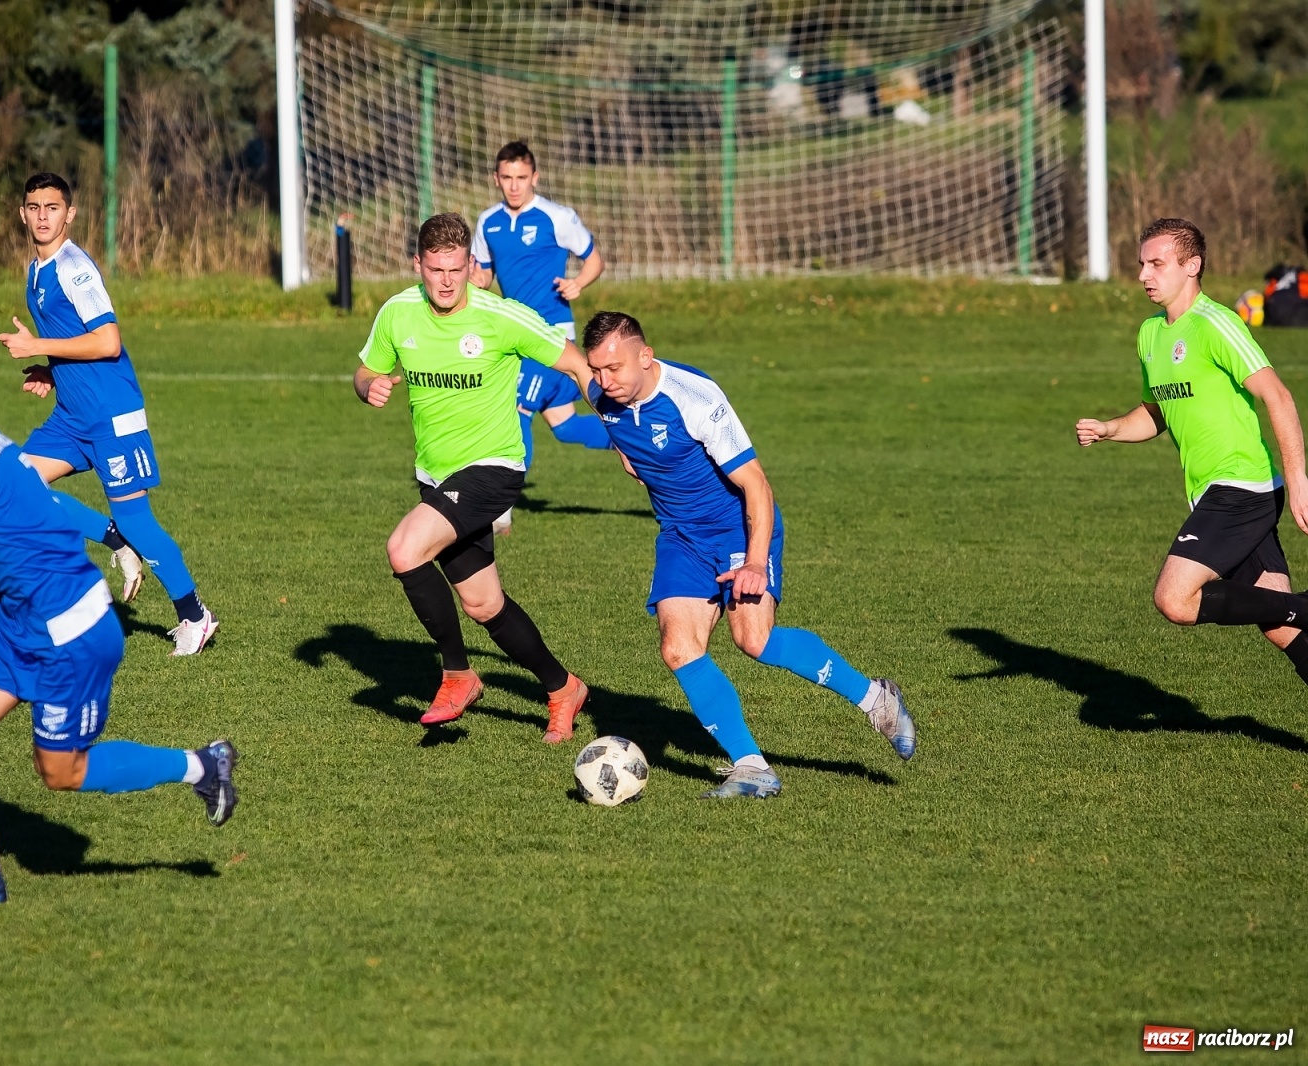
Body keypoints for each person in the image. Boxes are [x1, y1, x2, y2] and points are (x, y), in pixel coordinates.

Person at [0, 339, 236, 906]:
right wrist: (112, 539)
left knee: (61, 772)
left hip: (70, 629)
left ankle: (202, 766)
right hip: (19, 618)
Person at [572, 312, 915, 799]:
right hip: (681, 535)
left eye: (615, 368)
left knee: (755, 640)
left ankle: (875, 699)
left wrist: (754, 562)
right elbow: (564, 359)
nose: (605, 381)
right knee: (678, 648)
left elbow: (756, 485)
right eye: (597, 370)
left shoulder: (695, 398)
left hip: (737, 526)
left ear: (645, 357)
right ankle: (752, 767)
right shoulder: (604, 392)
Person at [355, 212, 590, 742]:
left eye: (456, 270)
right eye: (436, 270)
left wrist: (626, 438)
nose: (446, 282)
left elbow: (577, 364)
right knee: (483, 603)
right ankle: (563, 687)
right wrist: (368, 386)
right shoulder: (398, 313)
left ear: (470, 266)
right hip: (435, 476)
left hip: (493, 468)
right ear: (418, 264)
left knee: (404, 548)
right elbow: (366, 369)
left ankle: (458, 675)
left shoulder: (501, 316)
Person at [1076, 218, 1308, 684]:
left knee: (1174, 599)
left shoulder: (1216, 323)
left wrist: (1299, 480)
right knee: (1281, 625)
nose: (1143, 275)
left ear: (1192, 265)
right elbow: (1157, 412)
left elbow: (1278, 396)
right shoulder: (1150, 334)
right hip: (1211, 492)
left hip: (1242, 486)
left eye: (1156, 264)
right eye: (1141, 264)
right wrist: (1111, 428)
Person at [0, 172, 216, 656]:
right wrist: (53, 370)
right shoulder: (36, 269)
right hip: (72, 415)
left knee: (139, 520)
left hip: (111, 414)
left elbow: (108, 341)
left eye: (52, 207)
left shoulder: (74, 268)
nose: (42, 216)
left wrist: (38, 345)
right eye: (33, 207)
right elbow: (75, 339)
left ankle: (195, 617)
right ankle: (113, 539)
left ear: (70, 214)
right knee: (14, 488)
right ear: (22, 214)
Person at [469, 142, 611, 535]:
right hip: (514, 334)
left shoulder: (556, 217)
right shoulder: (488, 222)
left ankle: (500, 508)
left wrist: (578, 283)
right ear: (496, 178)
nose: (514, 186)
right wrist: (472, 281)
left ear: (535, 177)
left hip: (551, 333)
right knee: (565, 426)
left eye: (521, 177)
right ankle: (635, 439)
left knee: (516, 408)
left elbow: (594, 259)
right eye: (507, 178)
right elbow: (484, 276)